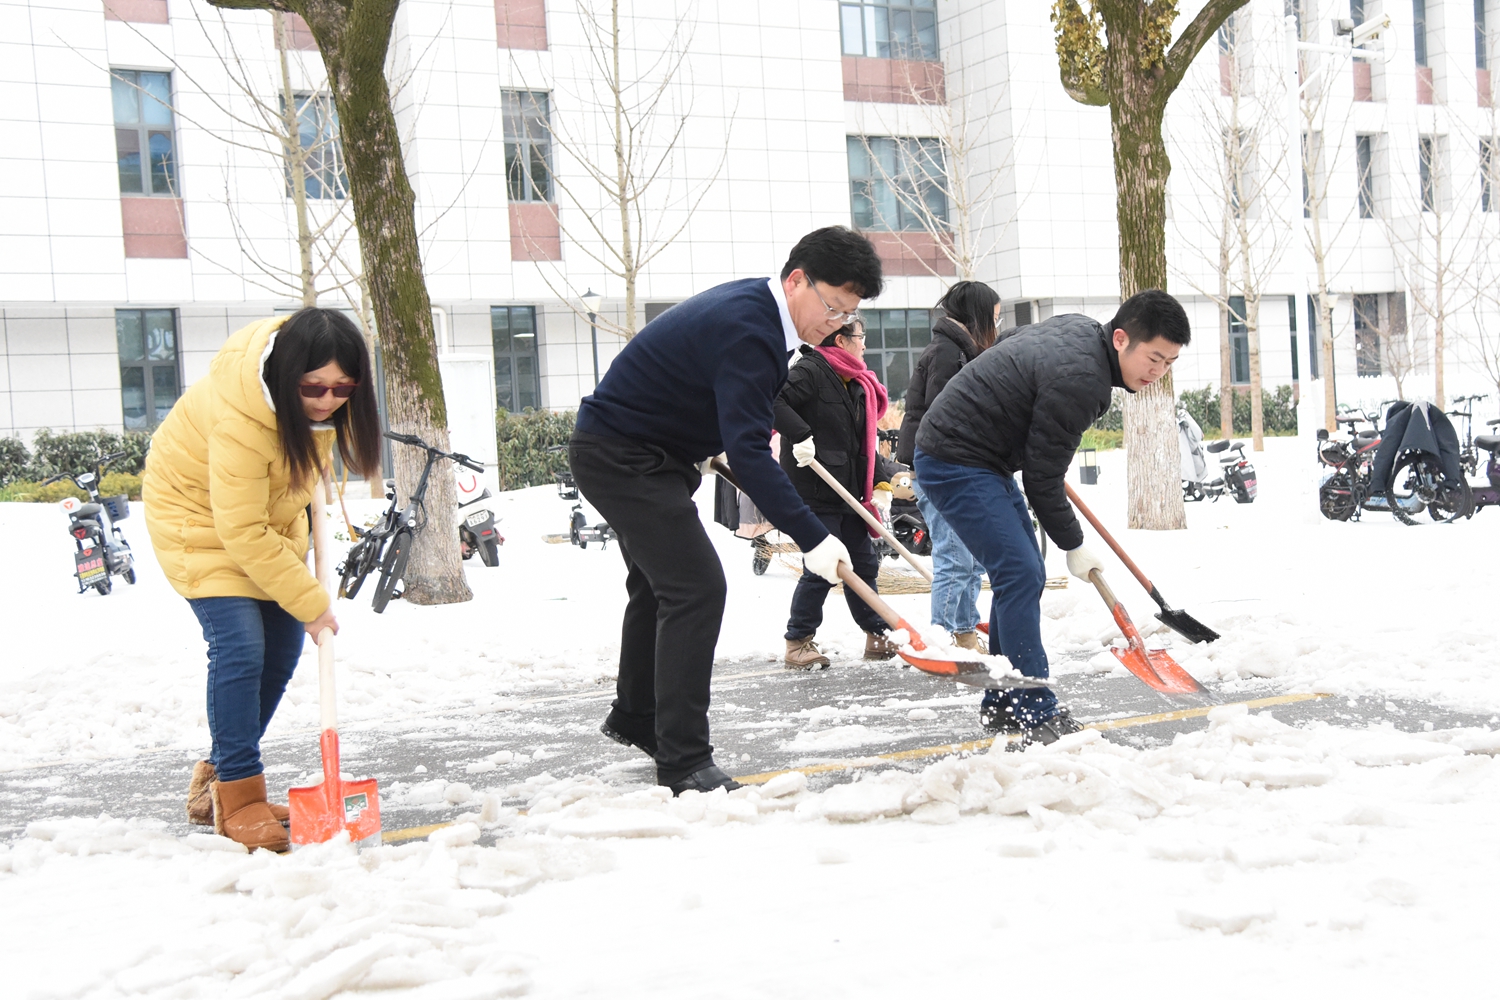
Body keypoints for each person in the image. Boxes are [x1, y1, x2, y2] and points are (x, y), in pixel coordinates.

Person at [571, 226, 884, 795]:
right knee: (695, 587)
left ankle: (638, 715)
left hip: (650, 455)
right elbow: (748, 449)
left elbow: (740, 415)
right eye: (832, 306)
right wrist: (812, 536)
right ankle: (686, 761)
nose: (836, 323)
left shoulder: (760, 316)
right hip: (623, 456)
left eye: (847, 314)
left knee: (657, 585)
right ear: (797, 281)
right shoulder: (751, 328)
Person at [143, 308, 381, 851]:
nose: (327, 400)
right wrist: (311, 602)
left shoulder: (307, 408)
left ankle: (220, 777)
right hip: (196, 521)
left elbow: (265, 507)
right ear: (285, 375)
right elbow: (240, 528)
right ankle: (242, 796)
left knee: (279, 652)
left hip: (259, 523)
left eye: (343, 387)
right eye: (313, 386)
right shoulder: (240, 416)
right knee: (241, 647)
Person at [913, 290, 1191, 746]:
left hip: (982, 453)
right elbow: (1042, 479)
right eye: (1154, 358)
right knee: (1020, 571)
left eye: (1169, 363)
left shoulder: (1083, 332)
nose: (1158, 373)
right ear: (1121, 339)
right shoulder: (1082, 379)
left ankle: (1004, 703)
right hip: (954, 457)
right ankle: (1034, 707)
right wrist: (1073, 542)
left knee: (1021, 574)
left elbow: (1020, 355)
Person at [774, 317, 903, 667]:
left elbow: (861, 443)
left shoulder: (857, 382)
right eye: (860, 337)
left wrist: (881, 480)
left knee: (863, 563)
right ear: (842, 340)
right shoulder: (810, 370)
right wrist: (800, 436)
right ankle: (797, 641)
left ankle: (878, 636)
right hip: (814, 489)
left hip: (847, 492)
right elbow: (773, 401)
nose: (864, 344)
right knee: (822, 565)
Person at [895, 282, 1001, 650]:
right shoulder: (947, 353)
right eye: (995, 318)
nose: (997, 326)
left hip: (960, 468)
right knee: (954, 556)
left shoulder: (963, 352)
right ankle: (941, 636)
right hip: (941, 469)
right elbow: (945, 418)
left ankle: (965, 631)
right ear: (978, 315)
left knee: (970, 558)